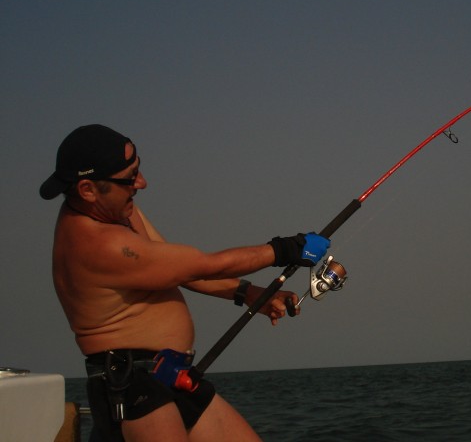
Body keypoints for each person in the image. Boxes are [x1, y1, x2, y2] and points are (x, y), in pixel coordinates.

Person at [40, 124, 330, 442]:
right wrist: (288, 247)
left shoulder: (117, 210)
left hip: (173, 375)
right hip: (133, 385)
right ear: (87, 189)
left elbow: (180, 271)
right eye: (129, 178)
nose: (142, 183)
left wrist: (250, 294)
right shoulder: (99, 245)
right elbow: (204, 265)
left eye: (138, 169)